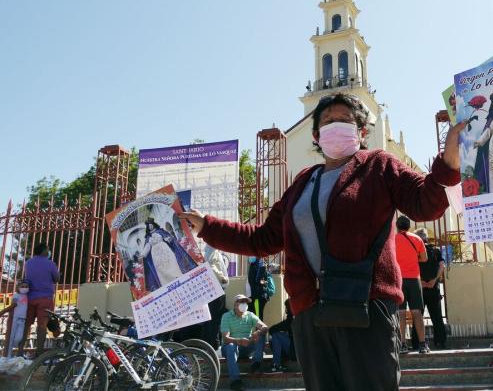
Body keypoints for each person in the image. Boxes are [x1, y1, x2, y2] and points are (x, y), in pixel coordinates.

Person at [179, 93, 464, 391]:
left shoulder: (379, 165)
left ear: (361, 131)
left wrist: (449, 162)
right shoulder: (303, 182)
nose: (335, 125)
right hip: (310, 314)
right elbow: (262, 239)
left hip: (365, 307)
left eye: (344, 119)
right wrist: (206, 226)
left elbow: (425, 203)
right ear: (316, 135)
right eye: (327, 121)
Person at [394, 216, 429, 354]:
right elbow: (424, 258)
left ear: (397, 226)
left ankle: (402, 344)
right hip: (414, 279)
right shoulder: (417, 239)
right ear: (409, 226)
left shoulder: (393, 239)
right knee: (417, 312)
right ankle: (422, 345)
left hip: (399, 279)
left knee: (400, 312)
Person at [221, 294, 268, 390]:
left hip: (247, 346)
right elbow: (225, 338)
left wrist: (258, 332)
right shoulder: (226, 316)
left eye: (245, 302)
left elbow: (265, 327)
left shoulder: (250, 315)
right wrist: (238, 341)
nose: (244, 304)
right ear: (235, 304)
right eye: (241, 302)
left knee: (261, 335)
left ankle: (256, 364)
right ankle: (235, 381)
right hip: (231, 348)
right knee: (230, 346)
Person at [21, 242, 59, 356]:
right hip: (45, 299)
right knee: (42, 326)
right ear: (44, 251)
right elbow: (56, 278)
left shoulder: (28, 263)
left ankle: (19, 351)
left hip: (30, 298)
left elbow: (26, 279)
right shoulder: (50, 264)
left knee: (27, 325)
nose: (49, 251)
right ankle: (38, 354)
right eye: (48, 249)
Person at [141, 218, 197, 291]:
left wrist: (168, 239)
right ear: (147, 227)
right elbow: (147, 246)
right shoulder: (148, 237)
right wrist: (143, 254)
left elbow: (168, 237)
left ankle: (177, 276)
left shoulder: (160, 231)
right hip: (156, 254)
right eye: (149, 226)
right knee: (161, 268)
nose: (150, 227)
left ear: (153, 225)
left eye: (151, 225)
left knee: (171, 263)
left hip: (165, 250)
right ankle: (166, 283)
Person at [415, 228, 447, 350]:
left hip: (419, 288)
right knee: (437, 316)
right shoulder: (435, 250)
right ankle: (441, 341)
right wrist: (434, 280)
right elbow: (442, 266)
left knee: (418, 316)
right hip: (433, 287)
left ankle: (417, 342)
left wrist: (420, 281)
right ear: (427, 237)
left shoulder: (416, 252)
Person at [1, 281, 29, 357]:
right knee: (11, 337)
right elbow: (14, 304)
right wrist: (3, 311)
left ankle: (10, 351)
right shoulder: (16, 295)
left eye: (26, 286)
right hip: (15, 318)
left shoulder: (29, 296)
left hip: (23, 319)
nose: (24, 288)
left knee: (18, 338)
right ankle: (8, 356)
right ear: (18, 287)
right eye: (22, 286)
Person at [268, 298, 294, 373]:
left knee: (276, 335)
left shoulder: (291, 320)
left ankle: (276, 364)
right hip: (301, 351)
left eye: (286, 307)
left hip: (295, 352)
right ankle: (277, 362)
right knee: (279, 335)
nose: (286, 309)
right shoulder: (302, 317)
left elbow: (272, 329)